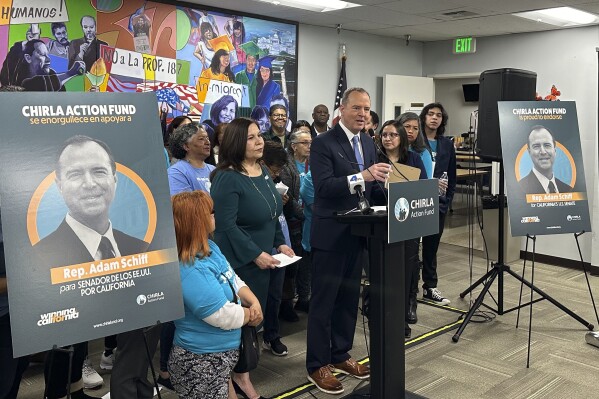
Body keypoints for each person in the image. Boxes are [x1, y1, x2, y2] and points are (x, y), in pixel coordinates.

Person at [31, 135, 150, 399]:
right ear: (59, 186)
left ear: (115, 180)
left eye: (99, 171)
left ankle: (76, 391)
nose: (89, 184)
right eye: (75, 174)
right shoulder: (41, 255)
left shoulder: (140, 246)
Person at [306, 87, 390, 394]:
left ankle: (340, 355)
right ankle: (317, 364)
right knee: (324, 303)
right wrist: (364, 176)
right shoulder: (323, 143)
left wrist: (393, 191)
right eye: (357, 108)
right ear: (342, 109)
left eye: (367, 109)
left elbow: (372, 187)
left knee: (347, 301)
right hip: (331, 234)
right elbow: (325, 187)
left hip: (359, 232)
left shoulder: (368, 141)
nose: (363, 114)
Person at [210, 117, 294, 399]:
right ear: (236, 143)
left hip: (263, 260)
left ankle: (241, 375)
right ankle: (231, 380)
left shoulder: (260, 170)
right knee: (236, 323)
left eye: (259, 136)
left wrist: (279, 244)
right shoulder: (227, 177)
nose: (259, 142)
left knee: (251, 323)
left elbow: (272, 214)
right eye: (251, 138)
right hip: (238, 261)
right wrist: (255, 253)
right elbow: (226, 225)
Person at [168, 190, 262, 399]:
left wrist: (253, 301)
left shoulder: (210, 247)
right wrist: (252, 314)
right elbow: (221, 315)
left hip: (220, 357)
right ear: (196, 221)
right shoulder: (189, 269)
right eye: (209, 212)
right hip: (200, 361)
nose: (214, 215)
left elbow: (233, 278)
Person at [374, 120, 427, 337]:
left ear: (401, 138)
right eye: (384, 135)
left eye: (393, 135)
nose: (388, 138)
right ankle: (383, 316)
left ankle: (402, 318)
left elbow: (422, 185)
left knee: (405, 271)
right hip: (381, 222)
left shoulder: (413, 158)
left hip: (407, 222)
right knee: (384, 273)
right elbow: (370, 191)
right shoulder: (375, 160)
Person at [398, 112, 434, 325]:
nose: (410, 131)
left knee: (411, 261)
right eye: (407, 127)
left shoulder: (422, 154)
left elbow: (425, 185)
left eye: (414, 128)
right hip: (390, 214)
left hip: (412, 212)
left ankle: (411, 302)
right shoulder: (388, 148)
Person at [419, 102, 456, 306]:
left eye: (438, 115)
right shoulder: (415, 141)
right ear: (424, 117)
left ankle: (430, 286)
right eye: (430, 114)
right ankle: (409, 286)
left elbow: (451, 174)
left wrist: (447, 200)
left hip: (438, 204)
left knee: (431, 247)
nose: (434, 118)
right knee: (411, 246)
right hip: (416, 202)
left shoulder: (446, 144)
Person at [280, 129, 312, 318]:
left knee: (306, 262)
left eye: (310, 143)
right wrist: (305, 214)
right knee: (293, 263)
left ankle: (304, 297)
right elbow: (288, 198)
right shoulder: (287, 166)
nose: (309, 146)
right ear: (293, 146)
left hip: (308, 219)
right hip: (294, 219)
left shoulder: (312, 163)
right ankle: (287, 303)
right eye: (305, 143)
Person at [519, 125, 572, 194]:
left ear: (555, 151)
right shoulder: (519, 189)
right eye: (536, 146)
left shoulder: (568, 190)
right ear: (529, 152)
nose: (543, 152)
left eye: (547, 145)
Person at [14, 40, 84, 92]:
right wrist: (71, 73)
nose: (48, 59)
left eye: (47, 54)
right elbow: (35, 84)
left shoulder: (51, 74)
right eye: (42, 54)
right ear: (28, 58)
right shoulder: (18, 80)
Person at [168, 123, 215, 195]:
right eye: (201, 139)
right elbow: (184, 204)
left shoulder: (214, 170)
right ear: (186, 146)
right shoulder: (176, 172)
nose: (207, 142)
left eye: (207, 138)